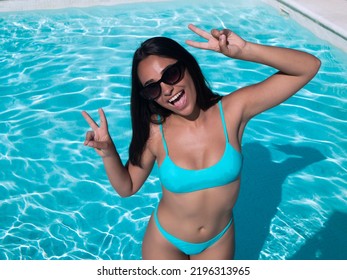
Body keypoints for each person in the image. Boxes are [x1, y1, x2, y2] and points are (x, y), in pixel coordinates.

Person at [81, 24, 320, 260]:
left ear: (188, 65)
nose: (166, 90)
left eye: (171, 74)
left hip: (218, 242)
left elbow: (308, 67)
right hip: (165, 242)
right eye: (153, 88)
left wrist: (246, 50)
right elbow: (128, 187)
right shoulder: (156, 132)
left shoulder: (233, 111)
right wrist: (109, 153)